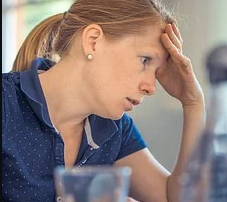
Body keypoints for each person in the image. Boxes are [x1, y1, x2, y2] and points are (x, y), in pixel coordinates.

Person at [2, 0, 205, 202]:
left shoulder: (113, 129)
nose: (151, 88)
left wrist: (193, 103)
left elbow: (180, 198)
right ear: (93, 41)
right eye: (145, 60)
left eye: (157, 71)